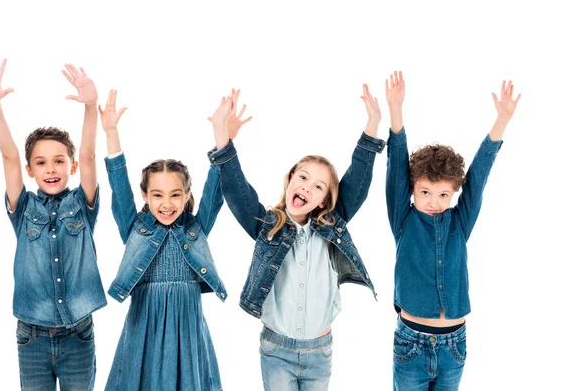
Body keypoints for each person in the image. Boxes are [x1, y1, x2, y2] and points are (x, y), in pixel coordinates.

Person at [208, 88, 385, 390]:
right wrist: (221, 134)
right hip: (277, 351)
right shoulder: (268, 226)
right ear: (290, 179)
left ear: (323, 201)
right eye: (303, 177)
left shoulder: (331, 226)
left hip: (320, 351)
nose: (307, 187)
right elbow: (237, 191)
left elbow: (357, 182)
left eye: (318, 187)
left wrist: (371, 128)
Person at [385, 71, 521, 390]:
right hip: (411, 345)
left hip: (454, 346)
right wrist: (396, 112)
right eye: (426, 193)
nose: (434, 202)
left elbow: (478, 176)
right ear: (413, 191)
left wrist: (500, 123)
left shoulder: (459, 222)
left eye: (443, 194)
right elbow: (396, 172)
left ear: (453, 194)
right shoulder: (403, 221)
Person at [0, 56, 106, 390]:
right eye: (40, 162)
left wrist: (90, 106)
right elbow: (8, 155)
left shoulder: (82, 204)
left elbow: (92, 156)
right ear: (30, 171)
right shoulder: (23, 208)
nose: (50, 169)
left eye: (58, 161)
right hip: (31, 335)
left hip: (77, 332)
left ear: (72, 166)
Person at [101, 89, 231, 390]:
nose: (167, 203)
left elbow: (216, 188)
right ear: (145, 196)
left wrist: (221, 133)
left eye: (175, 195)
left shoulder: (195, 228)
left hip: (187, 326)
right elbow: (119, 186)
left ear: (186, 197)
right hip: (144, 324)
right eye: (157, 195)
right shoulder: (136, 227)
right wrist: (111, 133)